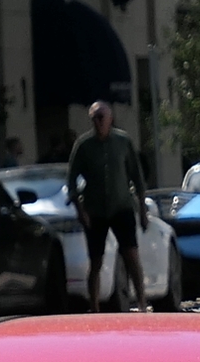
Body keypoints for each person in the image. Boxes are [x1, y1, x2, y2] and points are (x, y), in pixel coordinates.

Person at [66, 101, 148, 310]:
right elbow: (71, 181)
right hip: (95, 211)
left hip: (121, 206)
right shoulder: (84, 146)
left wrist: (143, 210)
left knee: (131, 255)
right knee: (96, 261)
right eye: (95, 118)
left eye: (102, 117)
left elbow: (136, 176)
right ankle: (95, 307)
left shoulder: (123, 142)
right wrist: (80, 210)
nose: (99, 121)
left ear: (110, 119)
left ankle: (141, 301)